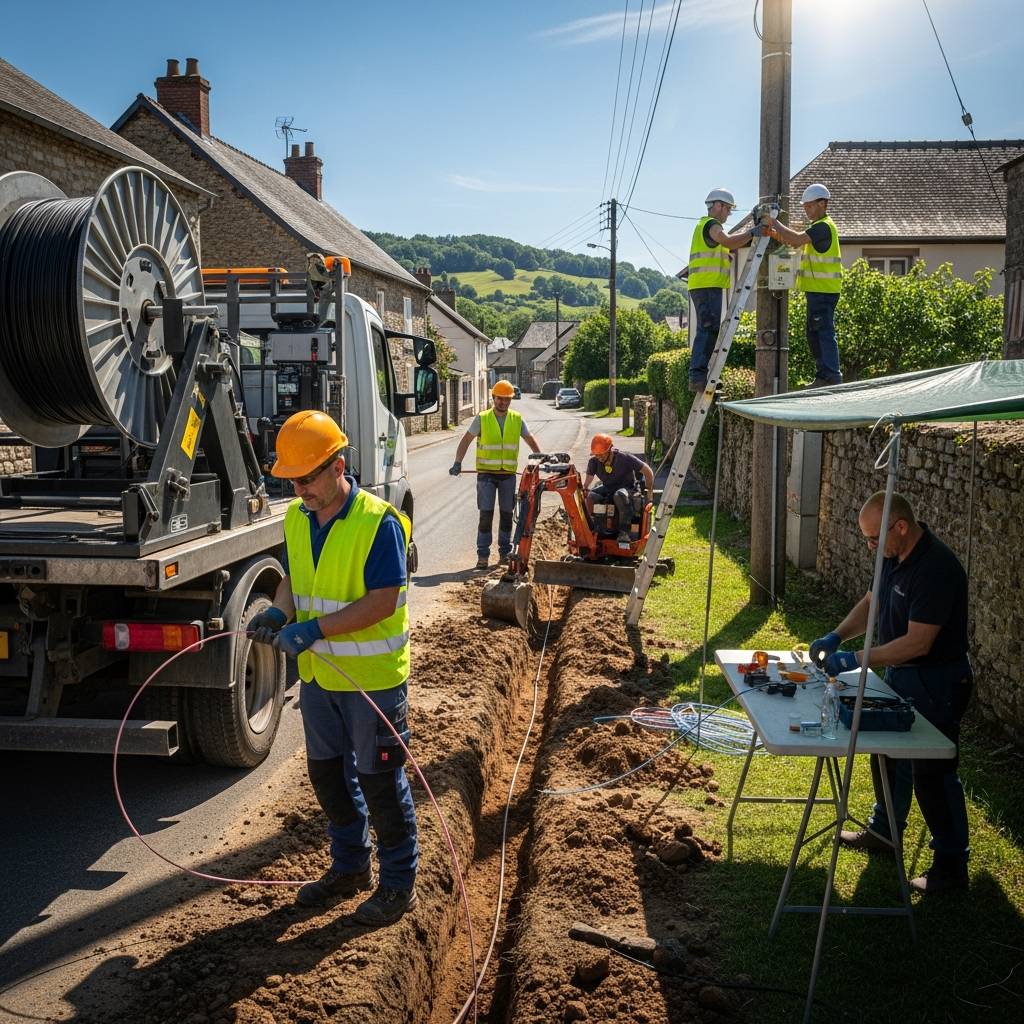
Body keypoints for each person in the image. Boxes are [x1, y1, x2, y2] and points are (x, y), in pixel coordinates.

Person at [248, 410, 419, 926]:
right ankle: (349, 869)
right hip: (321, 680)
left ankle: (397, 884)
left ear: (338, 465)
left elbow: (384, 602)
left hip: (372, 682)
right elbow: (298, 581)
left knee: (382, 786)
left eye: (307, 478)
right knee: (328, 779)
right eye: (292, 480)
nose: (300, 489)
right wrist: (280, 611)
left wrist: (314, 631)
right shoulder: (297, 518)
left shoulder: (379, 522)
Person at [809, 491, 972, 895]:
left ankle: (951, 865)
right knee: (887, 756)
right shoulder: (891, 556)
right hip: (902, 676)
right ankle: (884, 833)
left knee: (932, 772)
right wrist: (838, 635)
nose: (869, 547)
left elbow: (919, 642)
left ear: (900, 527)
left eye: (872, 539)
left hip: (938, 680)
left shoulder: (936, 568)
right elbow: (872, 601)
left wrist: (860, 657)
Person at [449, 380, 540, 569]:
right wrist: (458, 462)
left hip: (507, 475)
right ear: (493, 398)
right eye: (500, 399)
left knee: (507, 515)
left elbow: (530, 439)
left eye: (507, 399)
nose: (503, 403)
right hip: (486, 476)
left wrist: (540, 459)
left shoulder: (517, 419)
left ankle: (505, 553)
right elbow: (466, 440)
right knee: (486, 515)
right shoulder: (482, 418)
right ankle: (483, 555)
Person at [764, 183, 843, 387]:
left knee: (823, 331)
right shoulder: (820, 227)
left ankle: (832, 375)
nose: (806, 210)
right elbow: (793, 242)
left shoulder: (823, 226)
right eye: (805, 206)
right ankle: (823, 375)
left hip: (823, 291)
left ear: (822, 204)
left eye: (809, 206)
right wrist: (773, 232)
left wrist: (774, 221)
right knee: (814, 332)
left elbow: (797, 239)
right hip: (818, 290)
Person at [687, 187, 758, 394]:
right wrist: (753, 233)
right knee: (707, 330)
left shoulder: (705, 226)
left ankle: (701, 375)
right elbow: (727, 240)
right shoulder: (712, 225)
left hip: (706, 285)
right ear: (717, 206)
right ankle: (698, 376)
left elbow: (723, 246)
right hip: (707, 286)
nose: (728, 213)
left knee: (709, 330)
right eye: (727, 209)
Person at [583, 433, 655, 545]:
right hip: (609, 488)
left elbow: (647, 471)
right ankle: (596, 530)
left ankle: (624, 533)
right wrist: (585, 488)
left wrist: (649, 491)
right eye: (596, 455)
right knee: (591, 496)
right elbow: (589, 478)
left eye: (602, 454)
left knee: (620, 495)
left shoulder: (625, 458)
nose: (599, 458)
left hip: (628, 489)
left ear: (610, 449)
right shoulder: (594, 462)